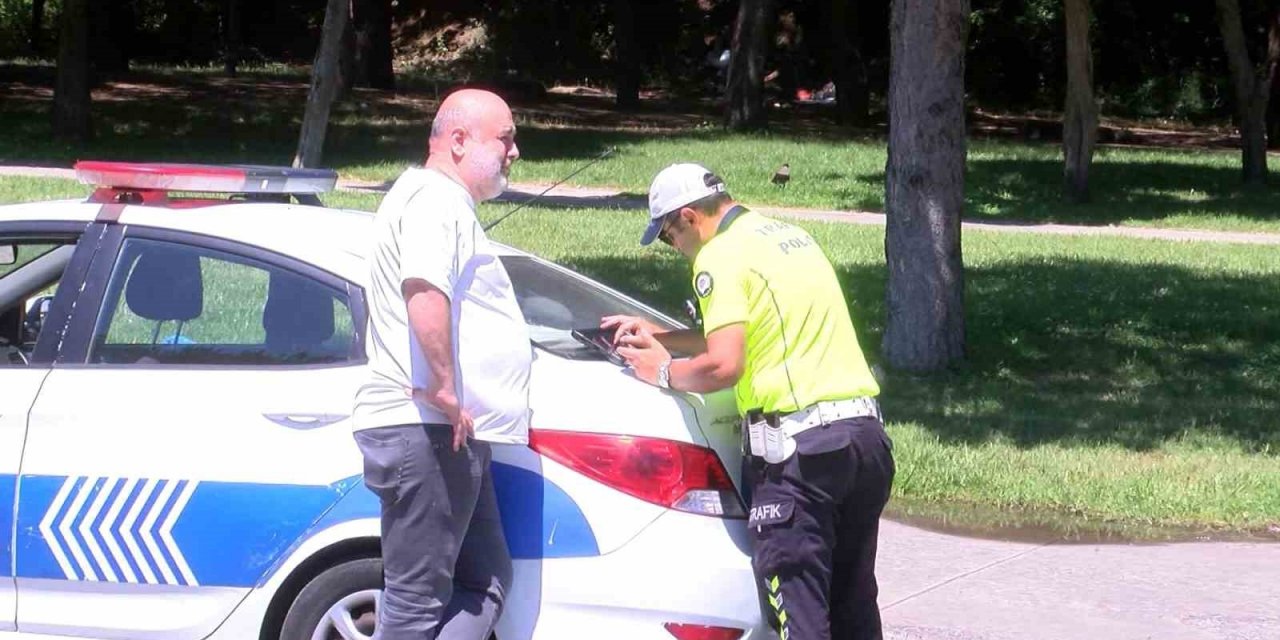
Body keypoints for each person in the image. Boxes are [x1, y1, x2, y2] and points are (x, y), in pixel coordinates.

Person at [605, 163, 895, 640]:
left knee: (799, 618)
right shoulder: (788, 237)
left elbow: (724, 364)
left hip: (801, 458)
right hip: (863, 442)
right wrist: (665, 337)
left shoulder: (717, 256)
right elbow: (754, 329)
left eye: (669, 237)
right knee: (852, 605)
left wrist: (661, 370)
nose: (676, 248)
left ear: (689, 217)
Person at [351, 88, 529, 640]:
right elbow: (425, 290)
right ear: (458, 141)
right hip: (426, 429)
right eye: (505, 139)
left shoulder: (437, 200)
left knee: (484, 581)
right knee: (417, 603)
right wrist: (446, 388)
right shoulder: (433, 199)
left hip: (444, 432)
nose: (514, 152)